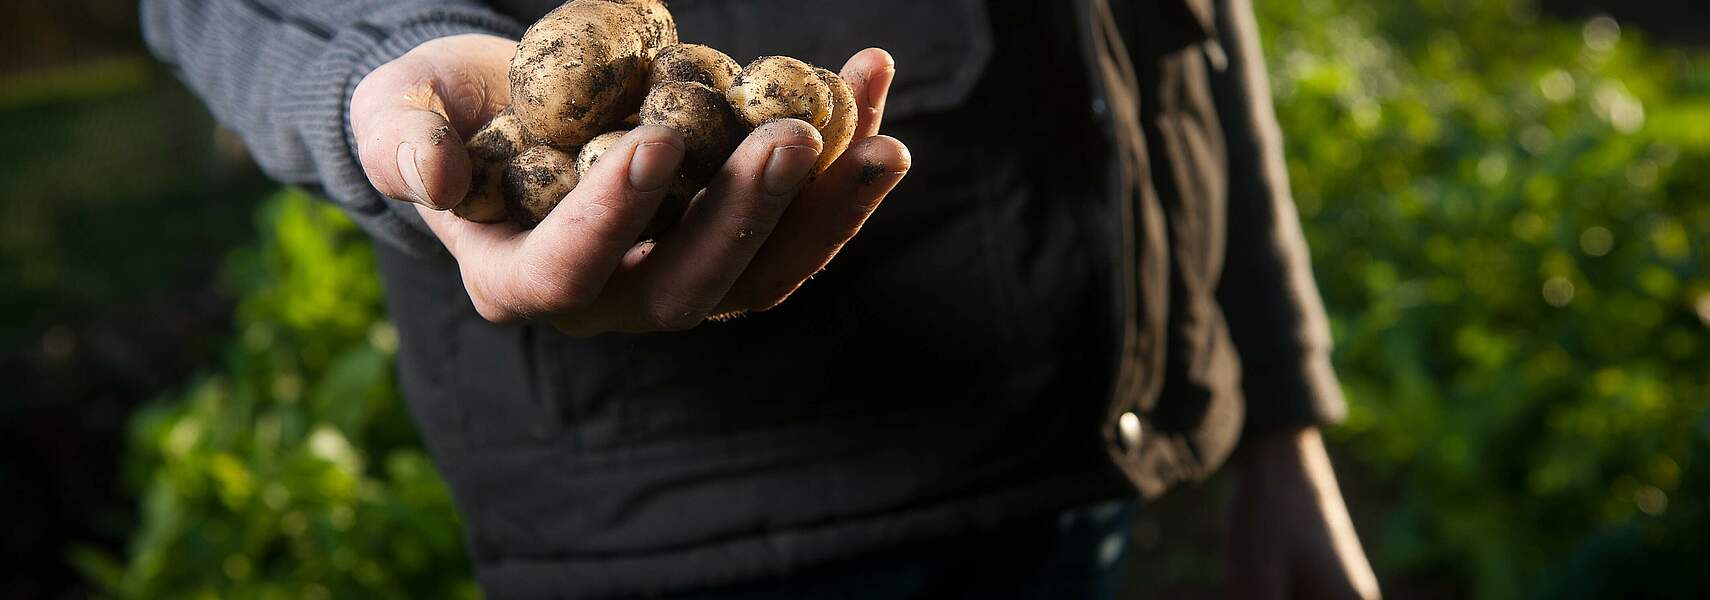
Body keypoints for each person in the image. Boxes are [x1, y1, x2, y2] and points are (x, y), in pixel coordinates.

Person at [141, 0, 1381, 597]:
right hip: (719, 532)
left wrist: (1279, 416)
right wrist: (375, 73)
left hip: (1079, 478)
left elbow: (1190, 34)